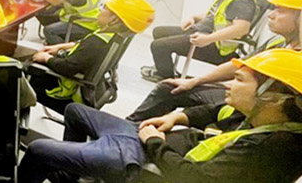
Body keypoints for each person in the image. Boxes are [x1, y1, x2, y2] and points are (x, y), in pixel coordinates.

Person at [19, 49, 302, 183]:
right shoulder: (262, 115)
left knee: (39, 149)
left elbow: (194, 179)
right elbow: (215, 110)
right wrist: (175, 119)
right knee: (75, 111)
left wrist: (154, 142)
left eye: (238, 80)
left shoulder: (271, 148)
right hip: (157, 141)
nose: (228, 85)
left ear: (272, 97)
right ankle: (71, 176)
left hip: (150, 160)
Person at [128, 0, 302, 122]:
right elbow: (239, 66)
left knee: (161, 50)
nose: (271, 15)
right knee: (169, 87)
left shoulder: (297, 59)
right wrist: (196, 81)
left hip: (250, 101)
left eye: (281, 10)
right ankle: (131, 126)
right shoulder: (277, 42)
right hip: (240, 91)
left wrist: (208, 39)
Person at [27, 0, 155, 114]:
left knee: (21, 70)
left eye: (105, 8)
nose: (100, 10)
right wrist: (61, 46)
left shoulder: (96, 43)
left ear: (114, 20)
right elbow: (84, 45)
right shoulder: (110, 36)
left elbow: (67, 67)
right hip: (82, 79)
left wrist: (46, 58)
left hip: (64, 92)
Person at [141, 0, 259, 82]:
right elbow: (215, 15)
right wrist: (193, 17)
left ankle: (165, 77)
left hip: (213, 46)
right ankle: (163, 67)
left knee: (159, 46)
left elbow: (241, 28)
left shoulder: (242, 2)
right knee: (159, 31)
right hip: (201, 32)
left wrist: (208, 39)